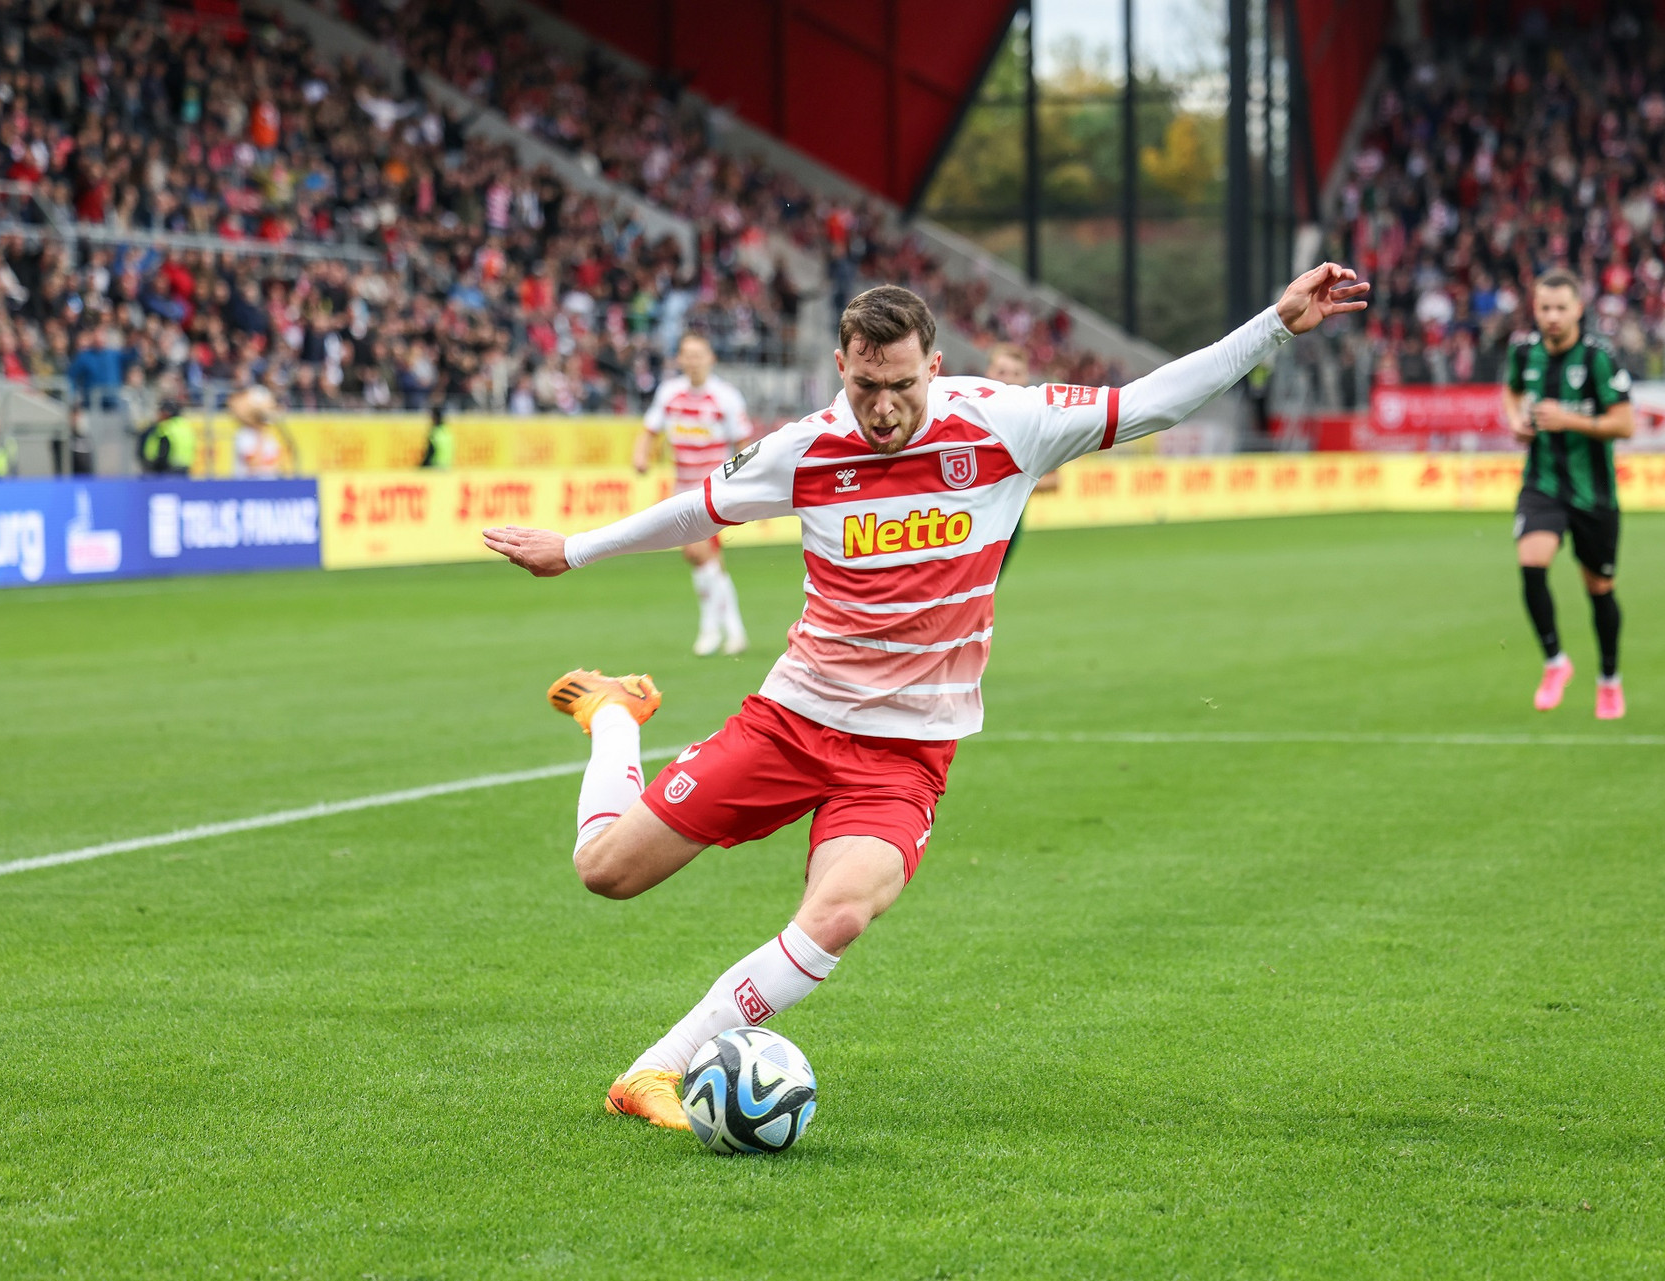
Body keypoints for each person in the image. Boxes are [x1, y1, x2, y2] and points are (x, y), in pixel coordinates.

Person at [483, 263, 1368, 1130]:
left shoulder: (1004, 424)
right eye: (866, 386)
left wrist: (1275, 323)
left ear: (933, 368)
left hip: (905, 755)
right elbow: (698, 509)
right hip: (793, 722)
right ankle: (611, 717)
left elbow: (1151, 402)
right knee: (605, 872)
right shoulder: (808, 447)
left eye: (901, 385)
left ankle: (655, 1069)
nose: (883, 407)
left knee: (837, 912)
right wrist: (577, 548)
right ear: (842, 368)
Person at [1500, 269, 1635, 719]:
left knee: (1599, 590)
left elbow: (1625, 424)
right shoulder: (1523, 351)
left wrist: (1568, 419)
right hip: (1542, 483)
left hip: (1593, 493)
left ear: (1578, 309)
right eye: (1544, 308)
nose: (1552, 317)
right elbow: (1511, 392)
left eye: (1561, 308)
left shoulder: (1598, 357)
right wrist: (1518, 421)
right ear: (1534, 310)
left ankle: (1609, 680)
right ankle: (1556, 662)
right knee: (1531, 564)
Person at [635, 332, 751, 655]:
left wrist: (743, 481)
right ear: (680, 359)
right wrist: (641, 456)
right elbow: (649, 430)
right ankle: (733, 631)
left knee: (698, 552)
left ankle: (710, 631)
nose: (693, 360)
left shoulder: (725, 397)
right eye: (687, 354)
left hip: (713, 487)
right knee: (704, 557)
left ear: (711, 358)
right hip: (681, 486)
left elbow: (744, 444)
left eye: (699, 354)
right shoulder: (670, 393)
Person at [983, 343, 1059, 567]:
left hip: (1008, 522)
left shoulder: (1036, 427)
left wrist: (1009, 479)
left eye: (1016, 374)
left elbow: (1054, 480)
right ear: (988, 373)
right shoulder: (963, 414)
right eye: (1002, 372)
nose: (1008, 380)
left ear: (1026, 379)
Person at [230, 385, 286, 477]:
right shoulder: (244, 435)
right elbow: (253, 465)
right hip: (249, 486)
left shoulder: (269, 436)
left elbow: (274, 465)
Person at [140, 399, 197, 475]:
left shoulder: (166, 427)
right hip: (185, 467)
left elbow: (163, 450)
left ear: (166, 413)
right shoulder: (185, 425)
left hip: (168, 469)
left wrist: (155, 466)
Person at [420, 403, 454, 469]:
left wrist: (422, 466)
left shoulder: (434, 432)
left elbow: (430, 452)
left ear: (435, 417)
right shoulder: (447, 430)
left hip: (435, 467)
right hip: (447, 467)